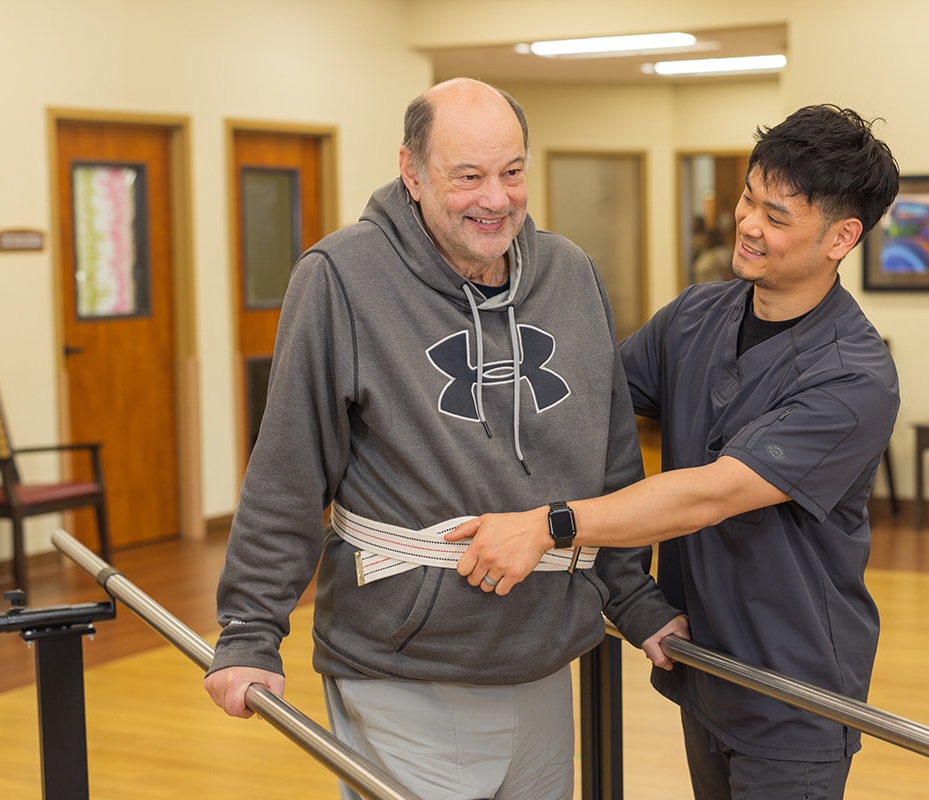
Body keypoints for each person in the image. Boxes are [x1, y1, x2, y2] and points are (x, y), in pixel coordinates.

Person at [204, 77, 683, 800]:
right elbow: (288, 472)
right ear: (412, 172)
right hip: (408, 660)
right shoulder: (341, 279)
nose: (496, 199)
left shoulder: (570, 274)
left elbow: (610, 457)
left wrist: (635, 599)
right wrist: (249, 629)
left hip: (546, 652)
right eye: (468, 177)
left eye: (512, 172)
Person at [449, 104, 901, 800]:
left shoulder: (852, 376)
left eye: (777, 217)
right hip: (701, 662)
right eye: (749, 197)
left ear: (842, 236)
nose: (747, 224)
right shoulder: (697, 316)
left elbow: (708, 495)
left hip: (793, 689)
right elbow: (582, 405)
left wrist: (547, 525)